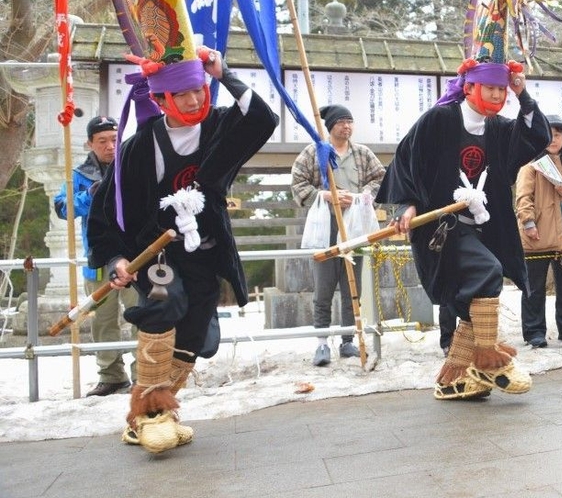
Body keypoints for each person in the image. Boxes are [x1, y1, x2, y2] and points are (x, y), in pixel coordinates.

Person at [88, 47, 279, 453]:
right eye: (182, 94)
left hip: (205, 251)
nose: (194, 100)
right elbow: (105, 210)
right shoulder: (138, 147)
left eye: (198, 90)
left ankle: (154, 413)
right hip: (157, 253)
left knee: (194, 333)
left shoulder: (219, 127)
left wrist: (223, 74)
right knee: (165, 303)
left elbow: (263, 119)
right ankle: (149, 416)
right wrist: (115, 258)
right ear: (160, 99)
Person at [377, 55, 551, 400]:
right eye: (490, 88)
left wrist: (523, 93)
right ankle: (487, 361)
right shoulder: (440, 119)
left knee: (476, 296)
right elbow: (405, 160)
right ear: (469, 87)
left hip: (484, 225)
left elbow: (535, 137)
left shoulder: (498, 128)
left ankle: (454, 378)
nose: (497, 96)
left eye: (502, 90)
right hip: (442, 227)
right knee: (487, 272)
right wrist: (405, 203)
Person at [291, 104, 386, 366]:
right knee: (323, 288)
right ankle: (322, 342)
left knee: (352, 288)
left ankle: (348, 340)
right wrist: (323, 195)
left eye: (349, 121)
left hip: (355, 225)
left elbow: (380, 178)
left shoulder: (362, 153)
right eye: (342, 122)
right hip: (326, 225)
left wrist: (361, 196)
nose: (347, 126)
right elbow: (297, 182)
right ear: (331, 125)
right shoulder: (315, 151)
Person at [54, 115, 138, 396]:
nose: (110, 146)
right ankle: (111, 376)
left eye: (114, 139)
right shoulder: (78, 174)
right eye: (102, 141)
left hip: (134, 257)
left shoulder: (134, 165)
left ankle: (144, 374)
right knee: (102, 321)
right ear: (90, 143)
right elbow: (63, 208)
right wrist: (90, 194)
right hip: (98, 259)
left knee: (141, 314)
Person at [515, 115, 562, 347]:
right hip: (537, 234)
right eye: (549, 134)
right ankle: (534, 332)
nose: (553, 139)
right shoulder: (530, 166)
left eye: (558, 134)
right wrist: (528, 223)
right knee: (534, 287)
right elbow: (523, 198)